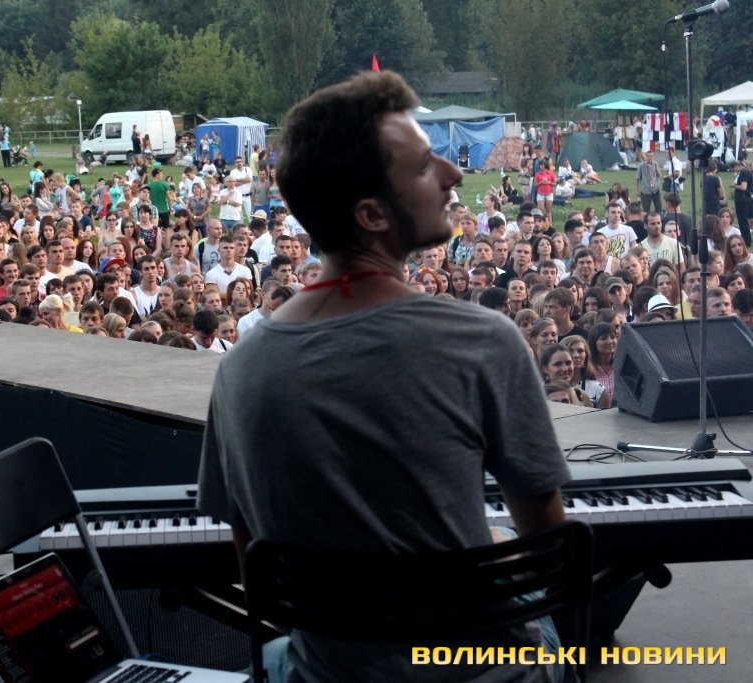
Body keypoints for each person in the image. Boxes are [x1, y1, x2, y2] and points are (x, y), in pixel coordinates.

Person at [198, 71, 569, 683]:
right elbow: (548, 553)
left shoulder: (239, 370)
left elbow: (260, 581)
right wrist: (487, 546)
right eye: (425, 166)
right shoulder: (483, 341)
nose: (453, 174)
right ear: (372, 214)